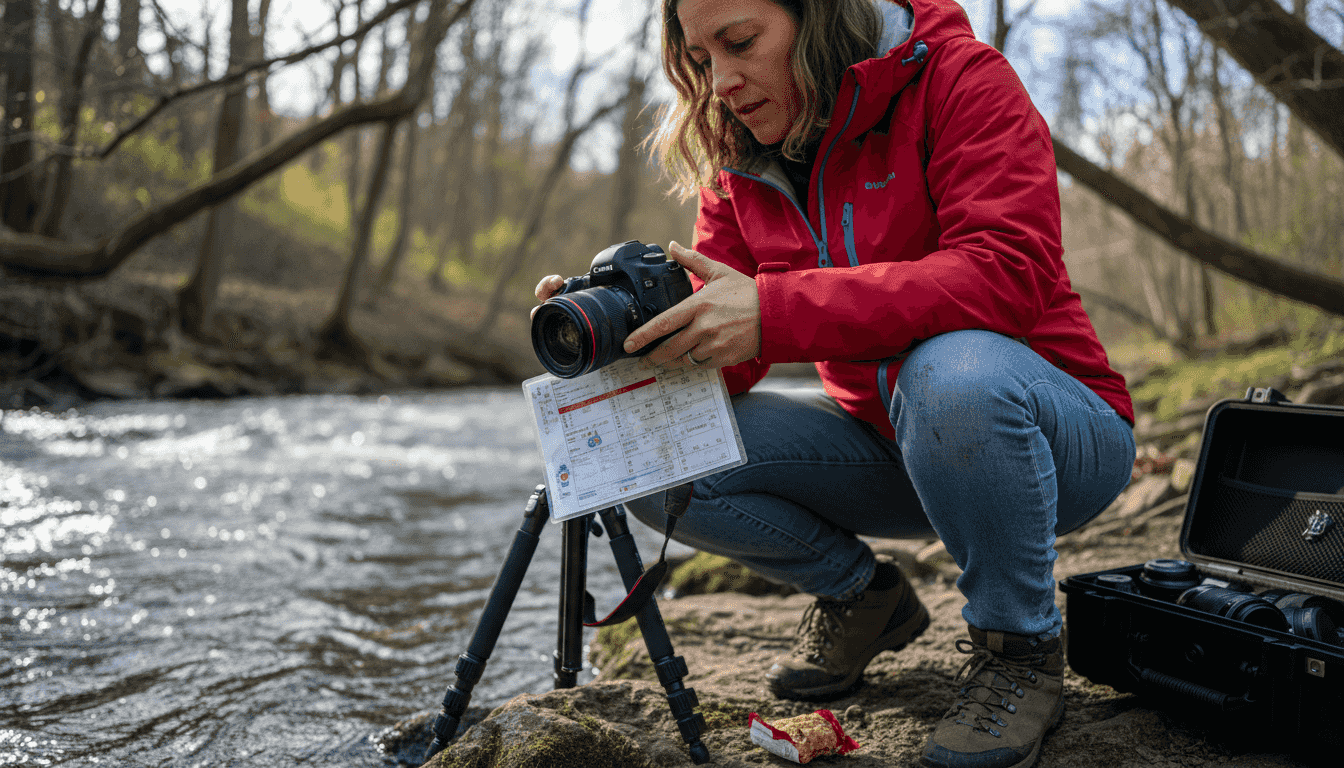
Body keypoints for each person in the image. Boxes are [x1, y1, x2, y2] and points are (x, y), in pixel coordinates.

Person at [534, 1, 1136, 766]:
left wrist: (777, 311)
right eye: (700, 58)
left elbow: (1006, 275)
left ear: (816, 16)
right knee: (644, 449)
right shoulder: (741, 151)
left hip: (1049, 436)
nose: (720, 80)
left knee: (949, 372)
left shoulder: (961, 79)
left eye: (741, 42)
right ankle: (862, 597)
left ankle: (1017, 649)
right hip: (886, 447)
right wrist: (627, 335)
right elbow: (737, 347)